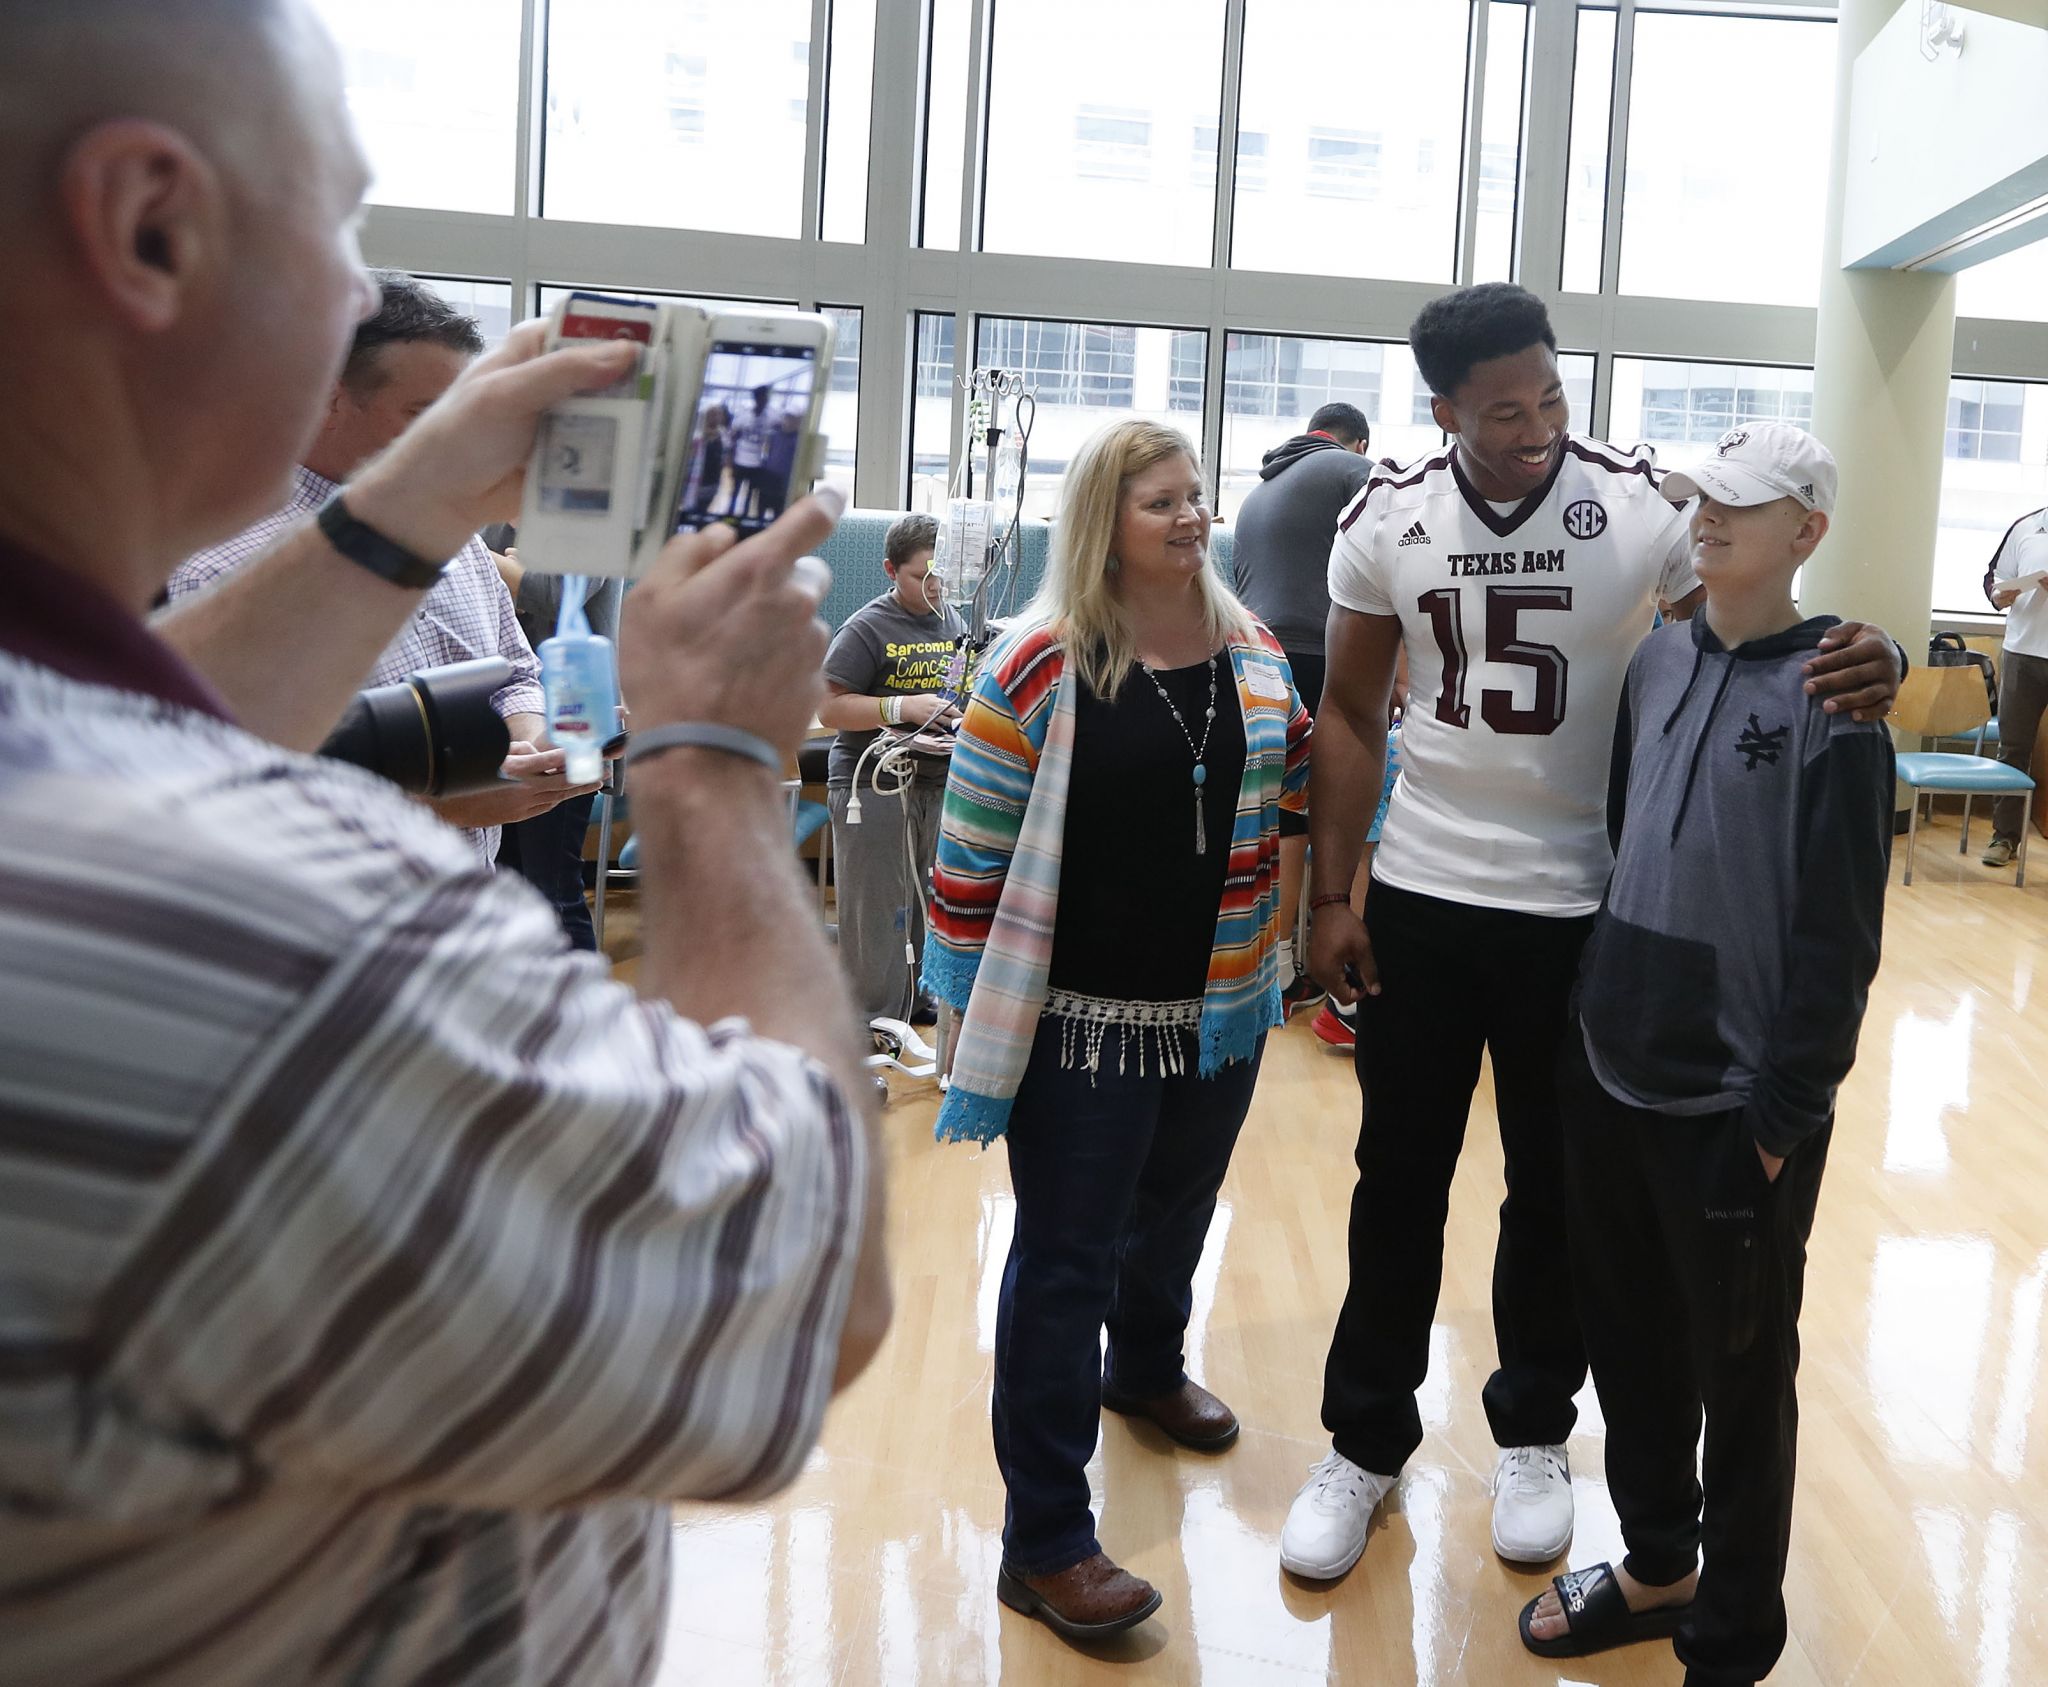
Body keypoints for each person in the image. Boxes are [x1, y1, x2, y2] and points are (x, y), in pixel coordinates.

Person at [0, 6, 888, 1685]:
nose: (355, 291)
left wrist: (404, 498)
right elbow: (798, 1278)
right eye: (337, 220)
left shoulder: (73, 757)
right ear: (150, 225)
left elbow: (127, 720)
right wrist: (706, 762)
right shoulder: (285, 937)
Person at [1282, 282, 1903, 1585]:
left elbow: (1753, 629)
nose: (1536, 428)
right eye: (1501, 412)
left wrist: (1873, 648)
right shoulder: (1384, 513)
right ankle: (1365, 1436)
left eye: (1551, 396)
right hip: (1426, 894)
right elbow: (1344, 714)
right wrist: (1334, 896)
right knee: (1396, 1176)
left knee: (1557, 1191)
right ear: (1442, 408)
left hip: (1588, 908)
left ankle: (1532, 1428)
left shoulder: (1640, 505)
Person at [923, 422, 1311, 1645]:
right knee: (1063, 1256)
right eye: (1160, 502)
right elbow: (971, 846)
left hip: (1218, 1002)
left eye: (1196, 496)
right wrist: (955, 1013)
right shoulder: (1041, 662)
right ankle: (1043, 1542)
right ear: (1106, 518)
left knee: (1179, 1212)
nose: (1190, 518)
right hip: (1076, 1023)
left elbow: (1291, 784)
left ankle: (1141, 1367)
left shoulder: (1248, 652)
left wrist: (1296, 936)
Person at [1519, 424, 1891, 1687]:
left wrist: (1784, 1115)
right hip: (1610, 1060)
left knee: (1738, 1378)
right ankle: (1655, 1561)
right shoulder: (1659, 658)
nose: (1708, 519)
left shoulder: (1839, 698)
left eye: (1743, 504)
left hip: (1736, 1104)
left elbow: (1839, 936)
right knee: (1626, 1344)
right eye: (1699, 500)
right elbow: (1633, 834)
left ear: (1806, 532)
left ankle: (1729, 1639)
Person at [168, 270, 593, 868]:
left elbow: (514, 669)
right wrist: (438, 803)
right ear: (331, 397)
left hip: (464, 889)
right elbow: (239, 779)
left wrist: (531, 744)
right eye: (423, 414)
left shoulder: (455, 529)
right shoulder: (228, 563)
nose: (452, 441)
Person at [1231, 400, 1376, 1017]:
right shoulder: (1349, 471)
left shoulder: (1259, 489)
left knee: (1281, 811)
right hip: (1314, 649)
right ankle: (1333, 961)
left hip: (1249, 654)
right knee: (1341, 806)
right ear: (1358, 443)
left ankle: (1278, 964)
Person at [818, 512, 965, 1023]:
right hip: (871, 781)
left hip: (934, 780)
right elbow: (829, 709)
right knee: (876, 912)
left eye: (941, 573)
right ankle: (871, 1020)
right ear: (890, 570)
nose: (935, 586)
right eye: (921, 575)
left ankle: (914, 999)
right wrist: (900, 708)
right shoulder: (867, 628)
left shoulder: (954, 622)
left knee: (926, 903)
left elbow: (954, 689)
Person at [491, 536, 625, 951]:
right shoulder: (491, 517)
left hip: (571, 717)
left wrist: (482, 560)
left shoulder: (590, 511)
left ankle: (585, 1014)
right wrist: (510, 571)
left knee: (551, 890)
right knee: (506, 885)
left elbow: (552, 593)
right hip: (494, 717)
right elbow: (489, 605)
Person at [1979, 505, 2048, 868]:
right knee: (2013, 750)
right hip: (2022, 654)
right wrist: (1998, 596)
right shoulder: (2025, 527)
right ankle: (2004, 838)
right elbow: (1996, 578)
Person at [728, 384, 777, 517]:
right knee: (735, 491)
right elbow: (733, 437)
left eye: (766, 398)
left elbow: (777, 432)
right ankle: (730, 515)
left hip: (757, 462)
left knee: (751, 493)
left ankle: (744, 517)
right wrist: (730, 460)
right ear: (756, 398)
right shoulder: (744, 415)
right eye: (762, 398)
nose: (764, 401)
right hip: (740, 459)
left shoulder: (772, 416)